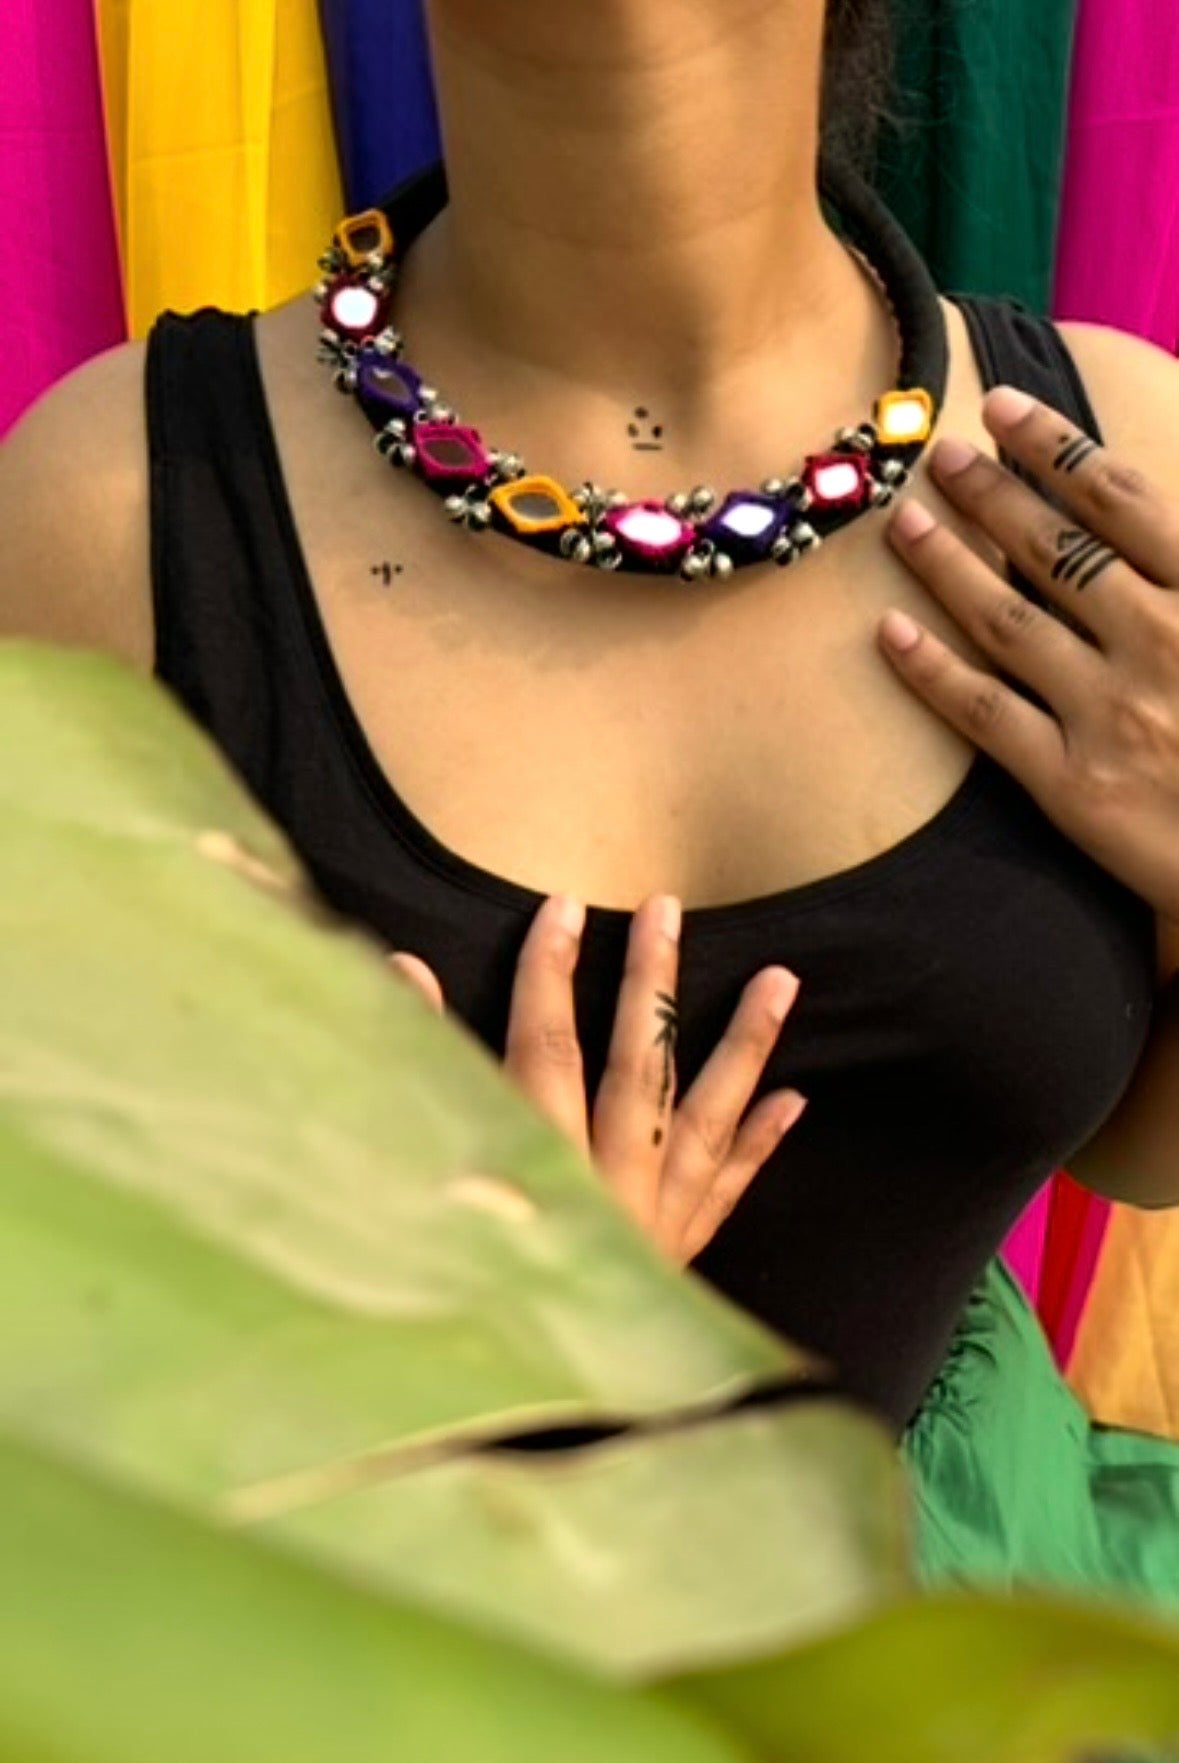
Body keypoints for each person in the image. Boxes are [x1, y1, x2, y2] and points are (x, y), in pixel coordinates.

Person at [3, 0, 1179, 1599]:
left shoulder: (1127, 463)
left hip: (982, 1635)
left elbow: (1138, 1147)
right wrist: (465, 1397)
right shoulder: (106, 523)